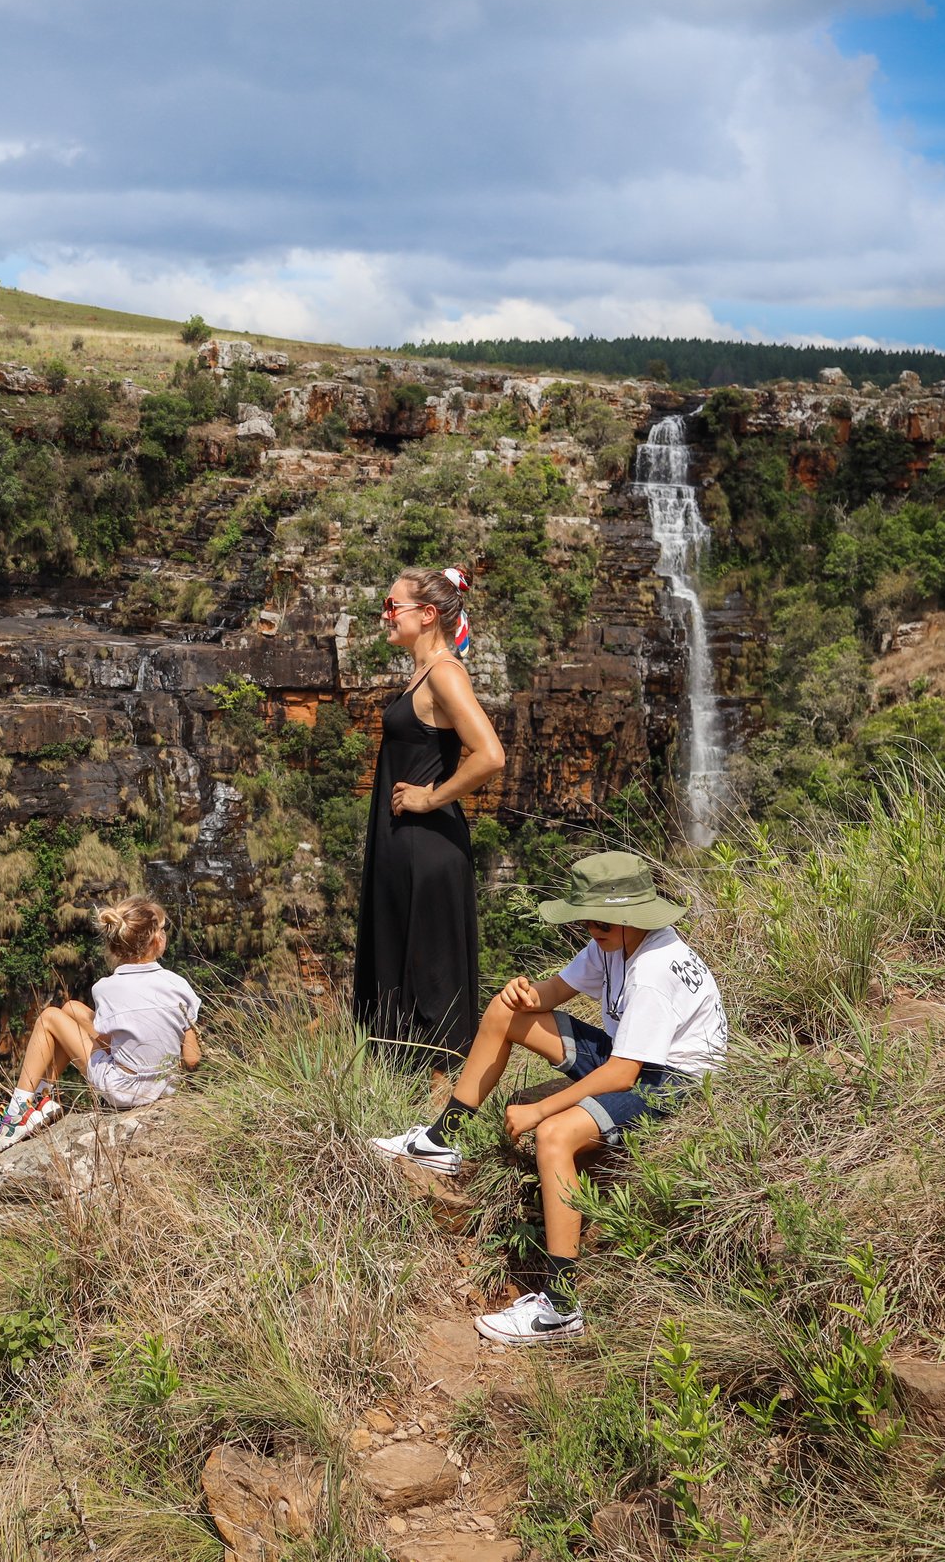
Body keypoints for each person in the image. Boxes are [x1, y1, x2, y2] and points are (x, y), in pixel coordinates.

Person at [368, 851, 726, 1346]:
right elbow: (552, 992)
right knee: (503, 1011)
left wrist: (542, 1108)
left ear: (628, 916)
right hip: (636, 1058)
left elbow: (624, 1074)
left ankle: (559, 1308)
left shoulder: (653, 972)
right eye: (585, 921)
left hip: (675, 1083)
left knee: (555, 1135)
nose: (589, 931)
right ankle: (441, 1140)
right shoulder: (613, 941)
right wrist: (523, 993)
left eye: (597, 924)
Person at [352, 566, 506, 1064]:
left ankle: (442, 1115)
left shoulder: (443, 672)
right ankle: (407, 1100)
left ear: (428, 614)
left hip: (427, 846)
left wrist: (430, 797)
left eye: (392, 605)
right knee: (403, 961)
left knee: (431, 976)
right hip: (406, 843)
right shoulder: (422, 671)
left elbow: (490, 755)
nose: (385, 614)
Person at [0, 897, 203, 1152]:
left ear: (114, 948)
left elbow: (107, 1042)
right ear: (158, 942)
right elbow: (191, 1059)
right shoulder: (178, 984)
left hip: (124, 1090)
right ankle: (41, 1099)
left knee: (49, 1019)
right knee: (71, 1009)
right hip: (163, 1087)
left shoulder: (106, 989)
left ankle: (16, 1113)